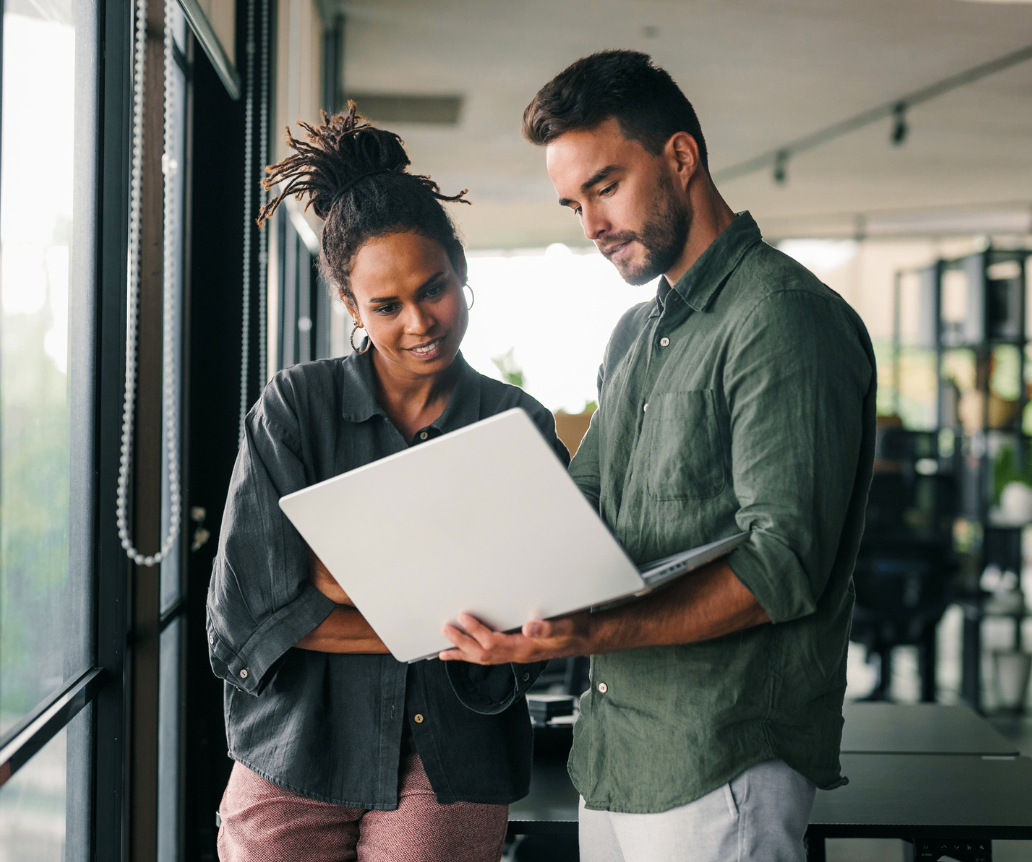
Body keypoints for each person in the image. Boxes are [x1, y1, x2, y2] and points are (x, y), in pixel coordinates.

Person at [440, 50, 877, 862]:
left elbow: (783, 566)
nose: (591, 226)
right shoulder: (637, 335)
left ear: (681, 156)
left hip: (721, 759)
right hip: (615, 759)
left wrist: (570, 638)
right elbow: (584, 506)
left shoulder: (783, 320)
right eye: (574, 203)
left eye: (604, 187)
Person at [206, 105, 568, 862]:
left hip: (455, 762)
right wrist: (443, 624)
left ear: (461, 270)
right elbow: (249, 617)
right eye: (386, 305)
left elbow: (536, 629)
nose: (419, 323)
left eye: (434, 288)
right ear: (350, 306)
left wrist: (341, 584)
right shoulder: (295, 412)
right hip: (294, 753)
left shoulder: (517, 427)